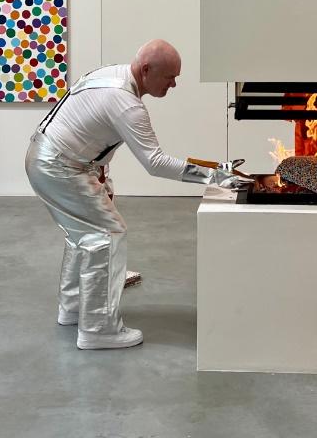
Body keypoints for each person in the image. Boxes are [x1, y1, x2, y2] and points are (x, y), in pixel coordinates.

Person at [25, 39, 248, 350]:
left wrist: (99, 173)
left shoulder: (110, 75)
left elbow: (87, 127)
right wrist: (215, 176)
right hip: (60, 166)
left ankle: (74, 308)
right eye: (169, 77)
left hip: (48, 157)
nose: (173, 84)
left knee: (84, 235)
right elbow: (155, 163)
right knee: (106, 234)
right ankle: (98, 330)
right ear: (146, 70)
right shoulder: (128, 104)